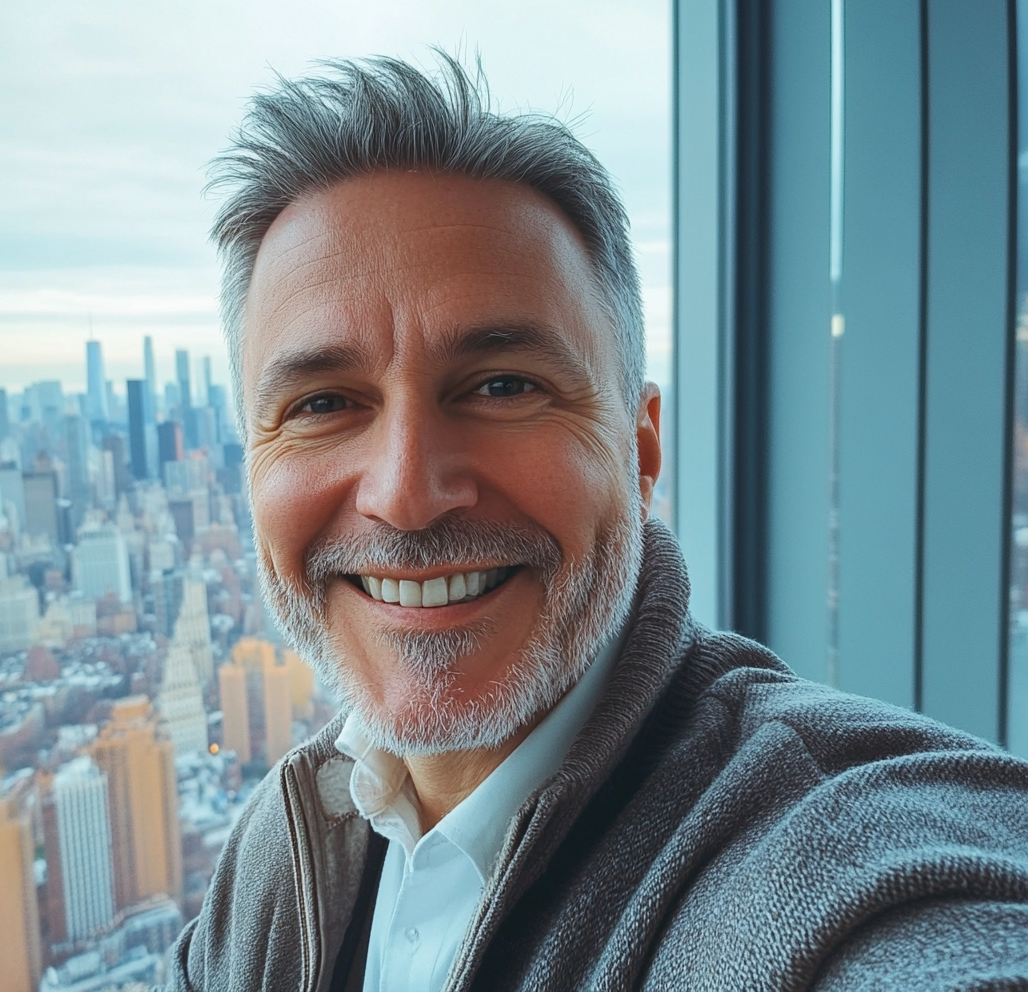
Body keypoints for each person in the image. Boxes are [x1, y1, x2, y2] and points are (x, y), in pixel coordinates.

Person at [165, 54, 1028, 991]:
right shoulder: (279, 857)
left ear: (642, 449)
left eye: (503, 386)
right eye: (325, 403)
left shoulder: (836, 850)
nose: (406, 493)